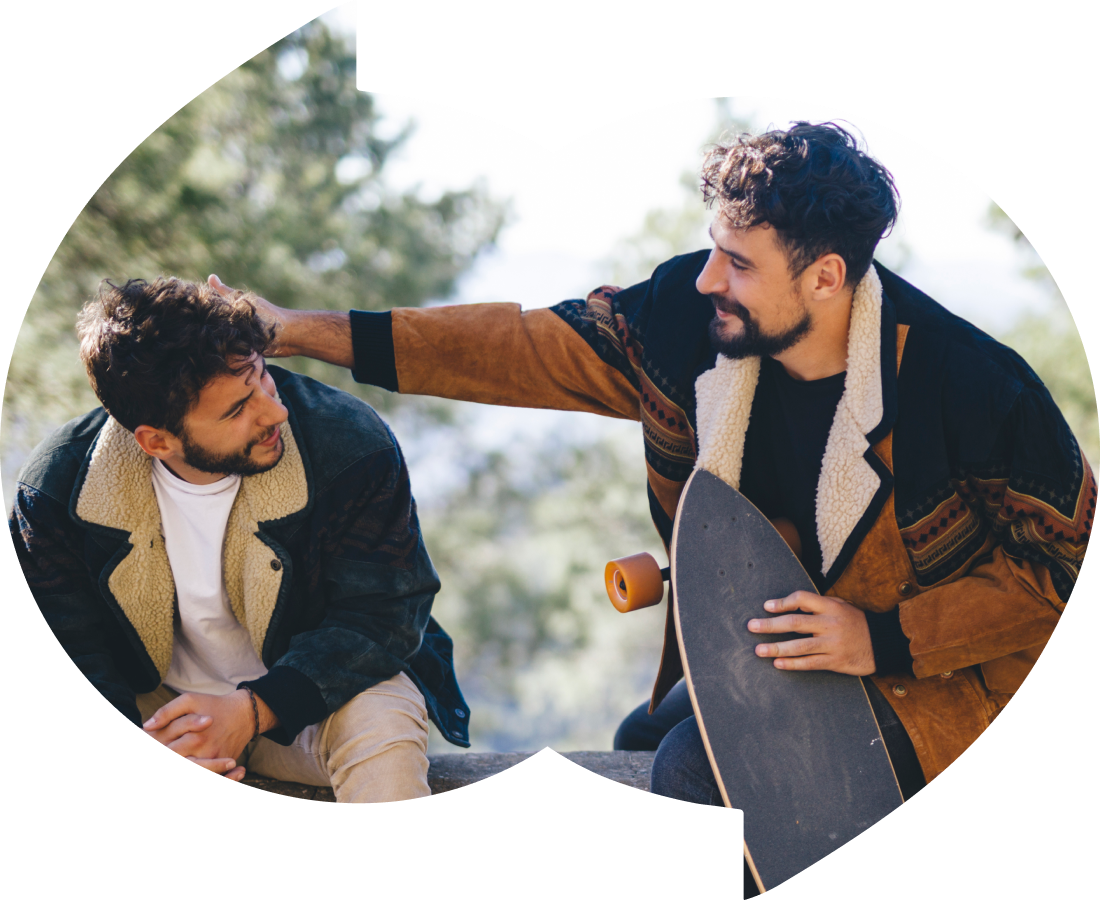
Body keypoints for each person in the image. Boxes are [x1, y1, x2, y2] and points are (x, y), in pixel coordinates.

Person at [219, 122, 1090, 815]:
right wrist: (292, 329)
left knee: (683, 770)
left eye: (739, 263)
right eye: (715, 247)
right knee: (640, 734)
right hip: (782, 655)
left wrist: (882, 638)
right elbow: (519, 347)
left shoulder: (971, 385)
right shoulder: (688, 318)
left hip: (944, 689)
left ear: (827, 276)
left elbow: (1060, 572)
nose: (708, 276)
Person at [11, 277, 470, 803]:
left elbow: (384, 615)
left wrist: (255, 709)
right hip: (158, 713)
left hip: (312, 700)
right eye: (235, 410)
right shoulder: (54, 489)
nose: (274, 412)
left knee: (383, 720)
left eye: (262, 379)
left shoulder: (348, 442)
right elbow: (73, 646)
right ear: (156, 441)